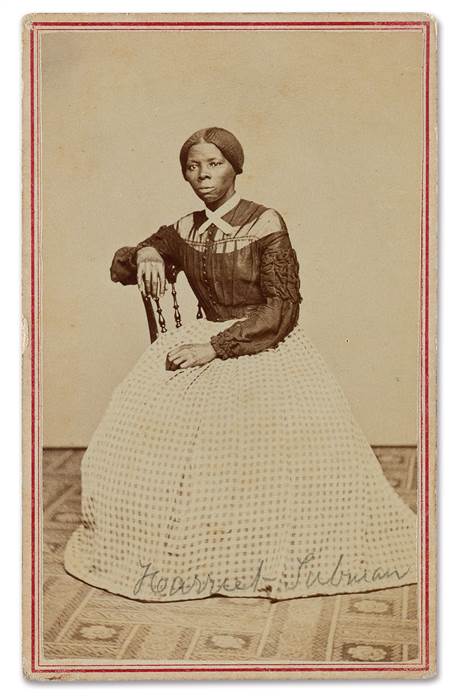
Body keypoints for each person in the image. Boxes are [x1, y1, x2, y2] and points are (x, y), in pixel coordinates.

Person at [63, 126, 418, 603]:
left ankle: (255, 553)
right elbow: (124, 266)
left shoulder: (264, 223)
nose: (203, 175)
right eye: (193, 166)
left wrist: (217, 347)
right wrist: (148, 251)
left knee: (260, 449)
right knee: (129, 440)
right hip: (201, 336)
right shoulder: (185, 228)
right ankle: (190, 552)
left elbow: (283, 308)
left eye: (214, 164)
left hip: (262, 344)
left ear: (235, 167)